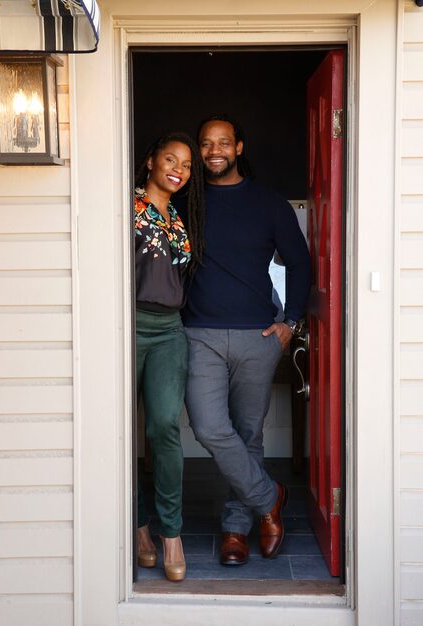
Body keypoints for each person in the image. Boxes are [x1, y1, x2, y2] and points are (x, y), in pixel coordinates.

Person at [182, 115, 311, 566]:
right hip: (200, 333)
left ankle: (236, 529)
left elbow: (300, 262)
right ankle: (268, 498)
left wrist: (290, 322)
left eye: (223, 142)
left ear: (238, 147)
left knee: (248, 434)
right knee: (209, 428)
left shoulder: (269, 204)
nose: (214, 150)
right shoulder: (187, 202)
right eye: (205, 144)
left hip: (259, 335)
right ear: (198, 151)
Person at [134, 132, 204, 581]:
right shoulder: (128, 207)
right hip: (126, 326)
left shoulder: (179, 217)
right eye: (170, 159)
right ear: (150, 162)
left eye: (186, 164)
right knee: (123, 432)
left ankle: (171, 533)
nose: (178, 168)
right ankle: (138, 526)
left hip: (169, 331)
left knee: (163, 427)